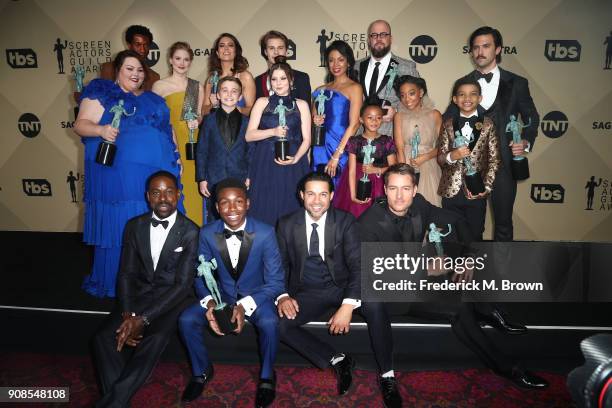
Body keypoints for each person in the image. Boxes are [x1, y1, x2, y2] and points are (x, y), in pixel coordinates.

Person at [358, 164, 548, 398]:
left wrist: (468, 257)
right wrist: (427, 268)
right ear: (384, 190)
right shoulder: (368, 223)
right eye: (394, 189)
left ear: (415, 189)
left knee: (463, 291)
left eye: (406, 188)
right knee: (452, 287)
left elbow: (457, 219)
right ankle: (489, 318)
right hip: (389, 296)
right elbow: (376, 275)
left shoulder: (419, 205)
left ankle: (506, 364)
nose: (399, 196)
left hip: (417, 283)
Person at [75, 50, 182, 298]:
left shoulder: (154, 100)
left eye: (140, 70)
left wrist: (176, 156)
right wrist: (101, 129)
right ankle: (119, 282)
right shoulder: (101, 91)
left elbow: (169, 130)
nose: (136, 74)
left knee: (150, 225)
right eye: (129, 69)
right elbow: (80, 124)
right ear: (118, 70)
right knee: (121, 225)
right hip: (118, 176)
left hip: (155, 174)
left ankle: (152, 280)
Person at [92, 171, 198, 407]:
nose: (163, 198)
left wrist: (144, 319)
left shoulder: (191, 231)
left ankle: (112, 402)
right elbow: (126, 273)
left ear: (178, 195)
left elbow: (182, 285)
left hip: (171, 300)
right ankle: (118, 401)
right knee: (103, 338)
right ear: (148, 197)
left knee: (155, 338)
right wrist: (129, 314)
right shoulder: (134, 226)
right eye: (156, 192)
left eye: (169, 191)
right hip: (138, 296)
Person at [179, 178, 284, 408]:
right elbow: (200, 273)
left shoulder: (266, 233)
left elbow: (276, 282)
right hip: (222, 297)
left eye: (238, 202)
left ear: (248, 203)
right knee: (186, 319)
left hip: (256, 297)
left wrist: (244, 305)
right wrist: (208, 303)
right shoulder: (206, 233)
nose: (232, 208)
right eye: (225, 203)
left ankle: (267, 376)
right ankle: (202, 371)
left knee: (269, 322)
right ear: (216, 207)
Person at [445, 26, 539, 242]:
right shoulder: (462, 83)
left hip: (504, 165)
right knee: (467, 224)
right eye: (476, 47)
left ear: (498, 49)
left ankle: (500, 273)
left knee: (504, 223)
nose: (480, 51)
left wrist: (525, 141)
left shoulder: (517, 83)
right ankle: (467, 271)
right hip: (467, 166)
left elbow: (532, 117)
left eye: (486, 46)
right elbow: (446, 121)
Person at [276, 172, 360, 397]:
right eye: (311, 194)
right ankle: (338, 359)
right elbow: (280, 266)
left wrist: (348, 305)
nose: (316, 200)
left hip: (341, 288)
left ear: (332, 196)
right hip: (307, 292)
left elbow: (358, 266)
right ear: (301, 195)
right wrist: (282, 295)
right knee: (279, 325)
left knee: (377, 307)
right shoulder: (285, 224)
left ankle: (387, 372)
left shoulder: (346, 221)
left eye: (323, 194)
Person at [246, 60, 311, 226]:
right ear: (269, 82)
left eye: (283, 78)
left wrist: (296, 158)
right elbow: (249, 135)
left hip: (294, 162)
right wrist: (273, 132)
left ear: (291, 80)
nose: (278, 83)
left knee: (292, 204)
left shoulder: (301, 105)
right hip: (265, 161)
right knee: (264, 204)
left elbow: (307, 139)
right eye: (274, 79)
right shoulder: (262, 102)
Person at [437, 78, 500, 242]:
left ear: (480, 98)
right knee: (451, 234)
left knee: (475, 233)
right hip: (451, 191)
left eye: (473, 94)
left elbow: (494, 161)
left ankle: (472, 266)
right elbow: (441, 157)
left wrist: (485, 188)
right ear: (455, 99)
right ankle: (453, 266)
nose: (467, 98)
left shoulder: (488, 125)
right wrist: (452, 156)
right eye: (462, 95)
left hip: (476, 191)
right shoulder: (448, 124)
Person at [153, 42, 204, 225]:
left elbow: (198, 117)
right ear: (170, 60)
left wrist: (196, 121)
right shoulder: (159, 86)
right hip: (170, 142)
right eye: (178, 58)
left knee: (193, 188)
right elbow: (157, 120)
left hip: (192, 143)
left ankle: (196, 232)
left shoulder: (196, 87)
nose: (182, 63)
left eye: (186, 59)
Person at [196, 77, 250, 223]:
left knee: (238, 214)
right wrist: (201, 178)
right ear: (218, 95)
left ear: (240, 96)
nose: (229, 95)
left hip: (239, 176)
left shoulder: (247, 122)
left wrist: (249, 175)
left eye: (234, 91)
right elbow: (202, 150)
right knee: (214, 215)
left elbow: (250, 151)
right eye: (224, 90)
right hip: (214, 177)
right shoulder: (208, 120)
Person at [354, 19, 420, 137]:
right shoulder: (356, 66)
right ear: (369, 40)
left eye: (383, 34)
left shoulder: (407, 67)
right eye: (374, 35)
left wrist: (396, 112)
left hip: (392, 139)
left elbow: (421, 102)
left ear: (391, 38)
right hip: (360, 139)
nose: (379, 39)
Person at [312, 40, 363, 186]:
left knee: (339, 187)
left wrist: (337, 155)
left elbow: (354, 125)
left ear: (348, 62)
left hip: (341, 147)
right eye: (331, 60)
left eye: (340, 60)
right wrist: (315, 120)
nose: (336, 65)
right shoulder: (320, 89)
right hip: (320, 147)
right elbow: (313, 119)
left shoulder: (355, 88)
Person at [334, 103, 396, 218]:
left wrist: (377, 170)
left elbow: (394, 168)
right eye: (370, 118)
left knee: (377, 217)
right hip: (358, 183)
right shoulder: (354, 141)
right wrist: (352, 196)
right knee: (357, 215)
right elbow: (351, 170)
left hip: (380, 184)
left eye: (378, 118)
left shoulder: (387, 141)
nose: (374, 121)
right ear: (361, 119)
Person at [393, 75, 443, 206]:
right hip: (406, 162)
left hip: (429, 164)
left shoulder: (435, 114)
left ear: (421, 92)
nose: (406, 99)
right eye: (402, 95)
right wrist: (403, 172)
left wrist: (425, 157)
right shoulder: (399, 116)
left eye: (411, 93)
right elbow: (399, 147)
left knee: (428, 206)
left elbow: (444, 146)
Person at [202, 33, 255, 116]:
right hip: (215, 127)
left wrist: (234, 108)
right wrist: (213, 105)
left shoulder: (245, 77)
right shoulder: (211, 79)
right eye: (222, 46)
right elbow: (204, 111)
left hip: (239, 127)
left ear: (236, 51)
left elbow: (252, 110)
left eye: (230, 45)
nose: (226, 48)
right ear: (217, 53)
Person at [255, 30, 311, 101]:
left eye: (280, 48)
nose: (276, 52)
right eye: (271, 48)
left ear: (286, 51)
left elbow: (306, 110)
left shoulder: (302, 78)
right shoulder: (258, 81)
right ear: (266, 52)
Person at [100, 25, 160, 91]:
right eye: (138, 44)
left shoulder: (154, 77)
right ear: (129, 45)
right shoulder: (109, 68)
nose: (142, 49)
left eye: (146, 45)